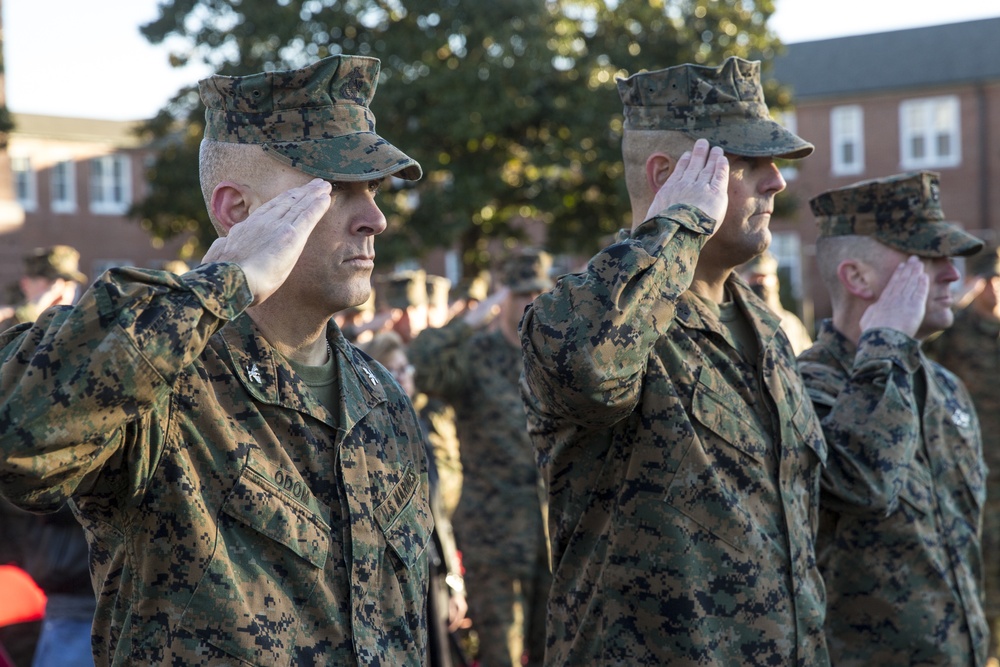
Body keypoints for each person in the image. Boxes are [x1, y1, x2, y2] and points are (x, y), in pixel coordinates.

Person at [0, 55, 432, 666]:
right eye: (336, 191)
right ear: (236, 210)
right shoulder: (164, 377)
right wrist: (222, 281)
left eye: (374, 190)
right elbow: (20, 437)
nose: (374, 219)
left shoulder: (377, 392)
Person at [519, 57, 829, 665]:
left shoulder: (766, 328)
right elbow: (590, 371)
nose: (776, 182)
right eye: (745, 163)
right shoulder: (584, 316)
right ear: (668, 178)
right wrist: (679, 223)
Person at [798, 171, 987, 666]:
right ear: (857, 277)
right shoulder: (803, 391)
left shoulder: (945, 388)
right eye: (927, 258)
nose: (951, 274)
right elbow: (864, 485)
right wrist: (886, 343)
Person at [410, 248, 554, 667]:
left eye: (537, 292)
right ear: (501, 297)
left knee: (556, 652)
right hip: (494, 537)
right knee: (499, 657)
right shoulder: (476, 353)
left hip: (552, 535)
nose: (529, 302)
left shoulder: (555, 357)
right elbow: (420, 365)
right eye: (519, 293)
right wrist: (467, 322)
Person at [0, 245, 95, 667]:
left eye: (68, 282)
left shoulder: (87, 341)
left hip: (77, 573)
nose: (61, 292)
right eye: (50, 281)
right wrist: (26, 320)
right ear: (28, 284)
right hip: (37, 568)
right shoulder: (12, 329)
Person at [363, 331, 469, 667]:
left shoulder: (418, 427)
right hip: (389, 588)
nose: (403, 377)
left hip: (429, 575)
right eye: (393, 370)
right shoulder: (366, 435)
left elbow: (437, 514)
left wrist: (453, 581)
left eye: (406, 368)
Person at [924, 243, 1000, 665]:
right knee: (979, 566)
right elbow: (918, 340)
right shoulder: (957, 327)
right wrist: (960, 298)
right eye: (986, 280)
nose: (993, 289)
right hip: (971, 469)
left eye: (998, 279)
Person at [738, 250, 813, 354]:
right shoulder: (737, 322)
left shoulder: (791, 324)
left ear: (775, 280)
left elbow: (805, 360)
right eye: (754, 276)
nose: (760, 281)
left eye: (765, 276)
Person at [0, 245, 87, 331]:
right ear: (25, 284)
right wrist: (36, 307)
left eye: (68, 284)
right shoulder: (6, 319)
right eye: (52, 284)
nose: (62, 292)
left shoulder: (79, 324)